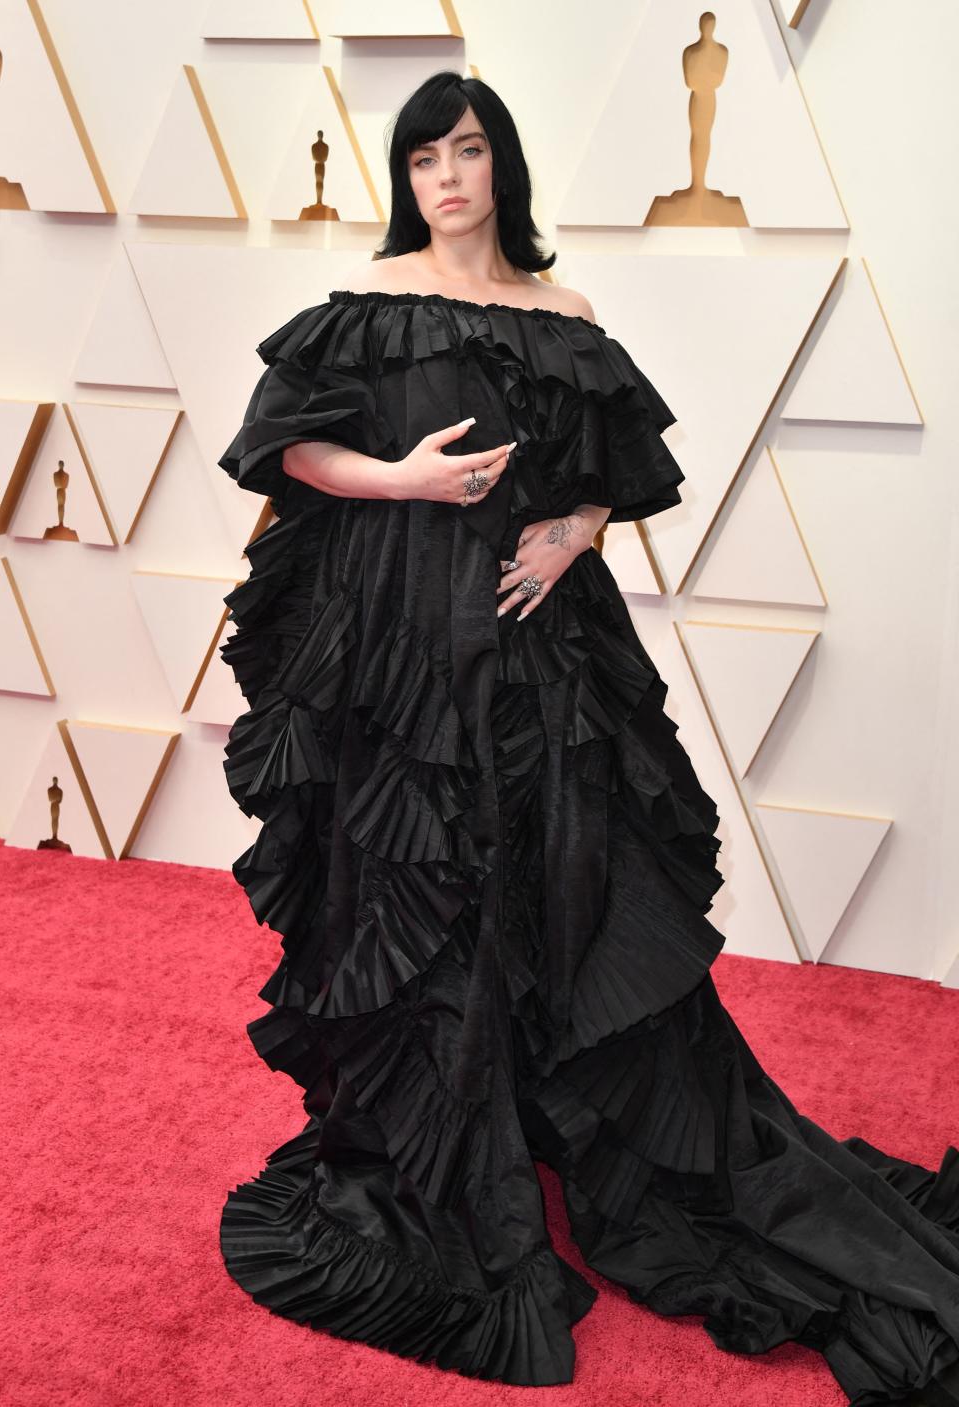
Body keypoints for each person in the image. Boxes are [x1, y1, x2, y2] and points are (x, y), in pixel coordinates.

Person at [216, 70, 959, 1402]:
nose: (447, 176)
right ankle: (450, 1139)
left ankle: (579, 1118)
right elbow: (290, 452)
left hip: (546, 654)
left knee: (571, 879)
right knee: (431, 894)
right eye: (424, 156)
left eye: (468, 150)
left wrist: (579, 530)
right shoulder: (362, 302)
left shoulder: (565, 313)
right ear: (404, 177)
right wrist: (404, 479)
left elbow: (614, 468)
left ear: (502, 166)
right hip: (410, 651)